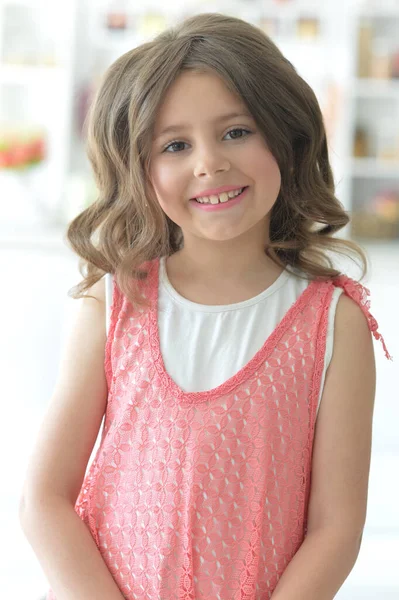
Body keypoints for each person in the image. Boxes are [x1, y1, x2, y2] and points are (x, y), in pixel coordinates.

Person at [19, 12, 392, 600]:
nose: (208, 162)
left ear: (287, 136)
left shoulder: (335, 323)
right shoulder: (114, 301)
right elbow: (43, 498)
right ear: (140, 171)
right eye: (175, 145)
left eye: (237, 132)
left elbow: (335, 528)